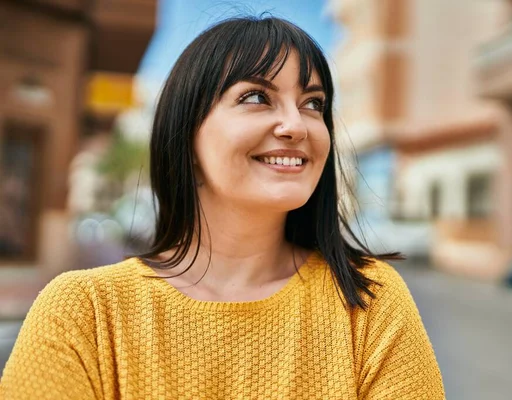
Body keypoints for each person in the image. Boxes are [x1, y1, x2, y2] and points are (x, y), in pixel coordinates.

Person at [0, 16, 445, 399]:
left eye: (313, 104)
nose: (296, 125)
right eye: (256, 97)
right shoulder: (85, 311)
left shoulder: (370, 301)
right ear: (187, 135)